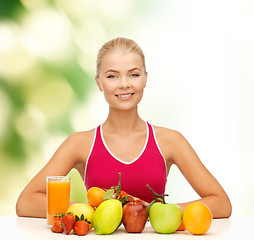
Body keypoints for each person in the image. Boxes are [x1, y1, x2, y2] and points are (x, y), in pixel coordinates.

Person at [16, 37, 232, 218]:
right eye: (112, 76)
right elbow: (26, 202)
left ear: (145, 79)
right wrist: (91, 212)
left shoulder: (170, 141)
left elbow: (221, 204)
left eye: (134, 74)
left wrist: (153, 212)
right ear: (99, 82)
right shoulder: (79, 143)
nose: (124, 84)